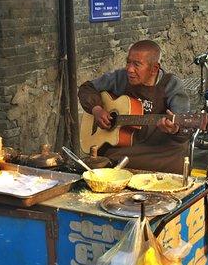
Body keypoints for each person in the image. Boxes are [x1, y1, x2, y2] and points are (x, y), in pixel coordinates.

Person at [78, 40, 193, 174]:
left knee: (177, 157)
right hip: (128, 145)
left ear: (154, 68)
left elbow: (184, 127)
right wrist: (96, 109)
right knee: (109, 157)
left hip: (158, 148)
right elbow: (87, 88)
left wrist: (174, 129)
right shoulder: (121, 77)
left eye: (137, 64)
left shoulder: (171, 84)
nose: (130, 69)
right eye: (128, 62)